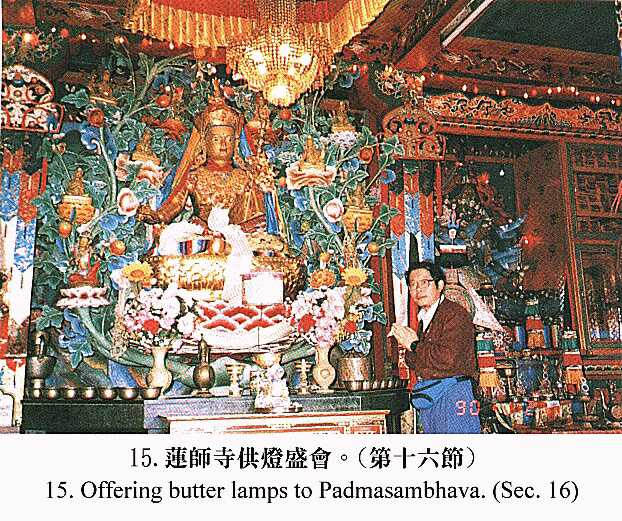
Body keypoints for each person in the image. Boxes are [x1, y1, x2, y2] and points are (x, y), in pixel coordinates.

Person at [389, 261, 480, 433]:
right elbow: (415, 361)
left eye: (424, 282)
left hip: (454, 393)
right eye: (413, 284)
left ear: (440, 285)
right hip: (432, 393)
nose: (418, 289)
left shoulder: (454, 314)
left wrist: (414, 344)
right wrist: (408, 343)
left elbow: (448, 358)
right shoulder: (425, 317)